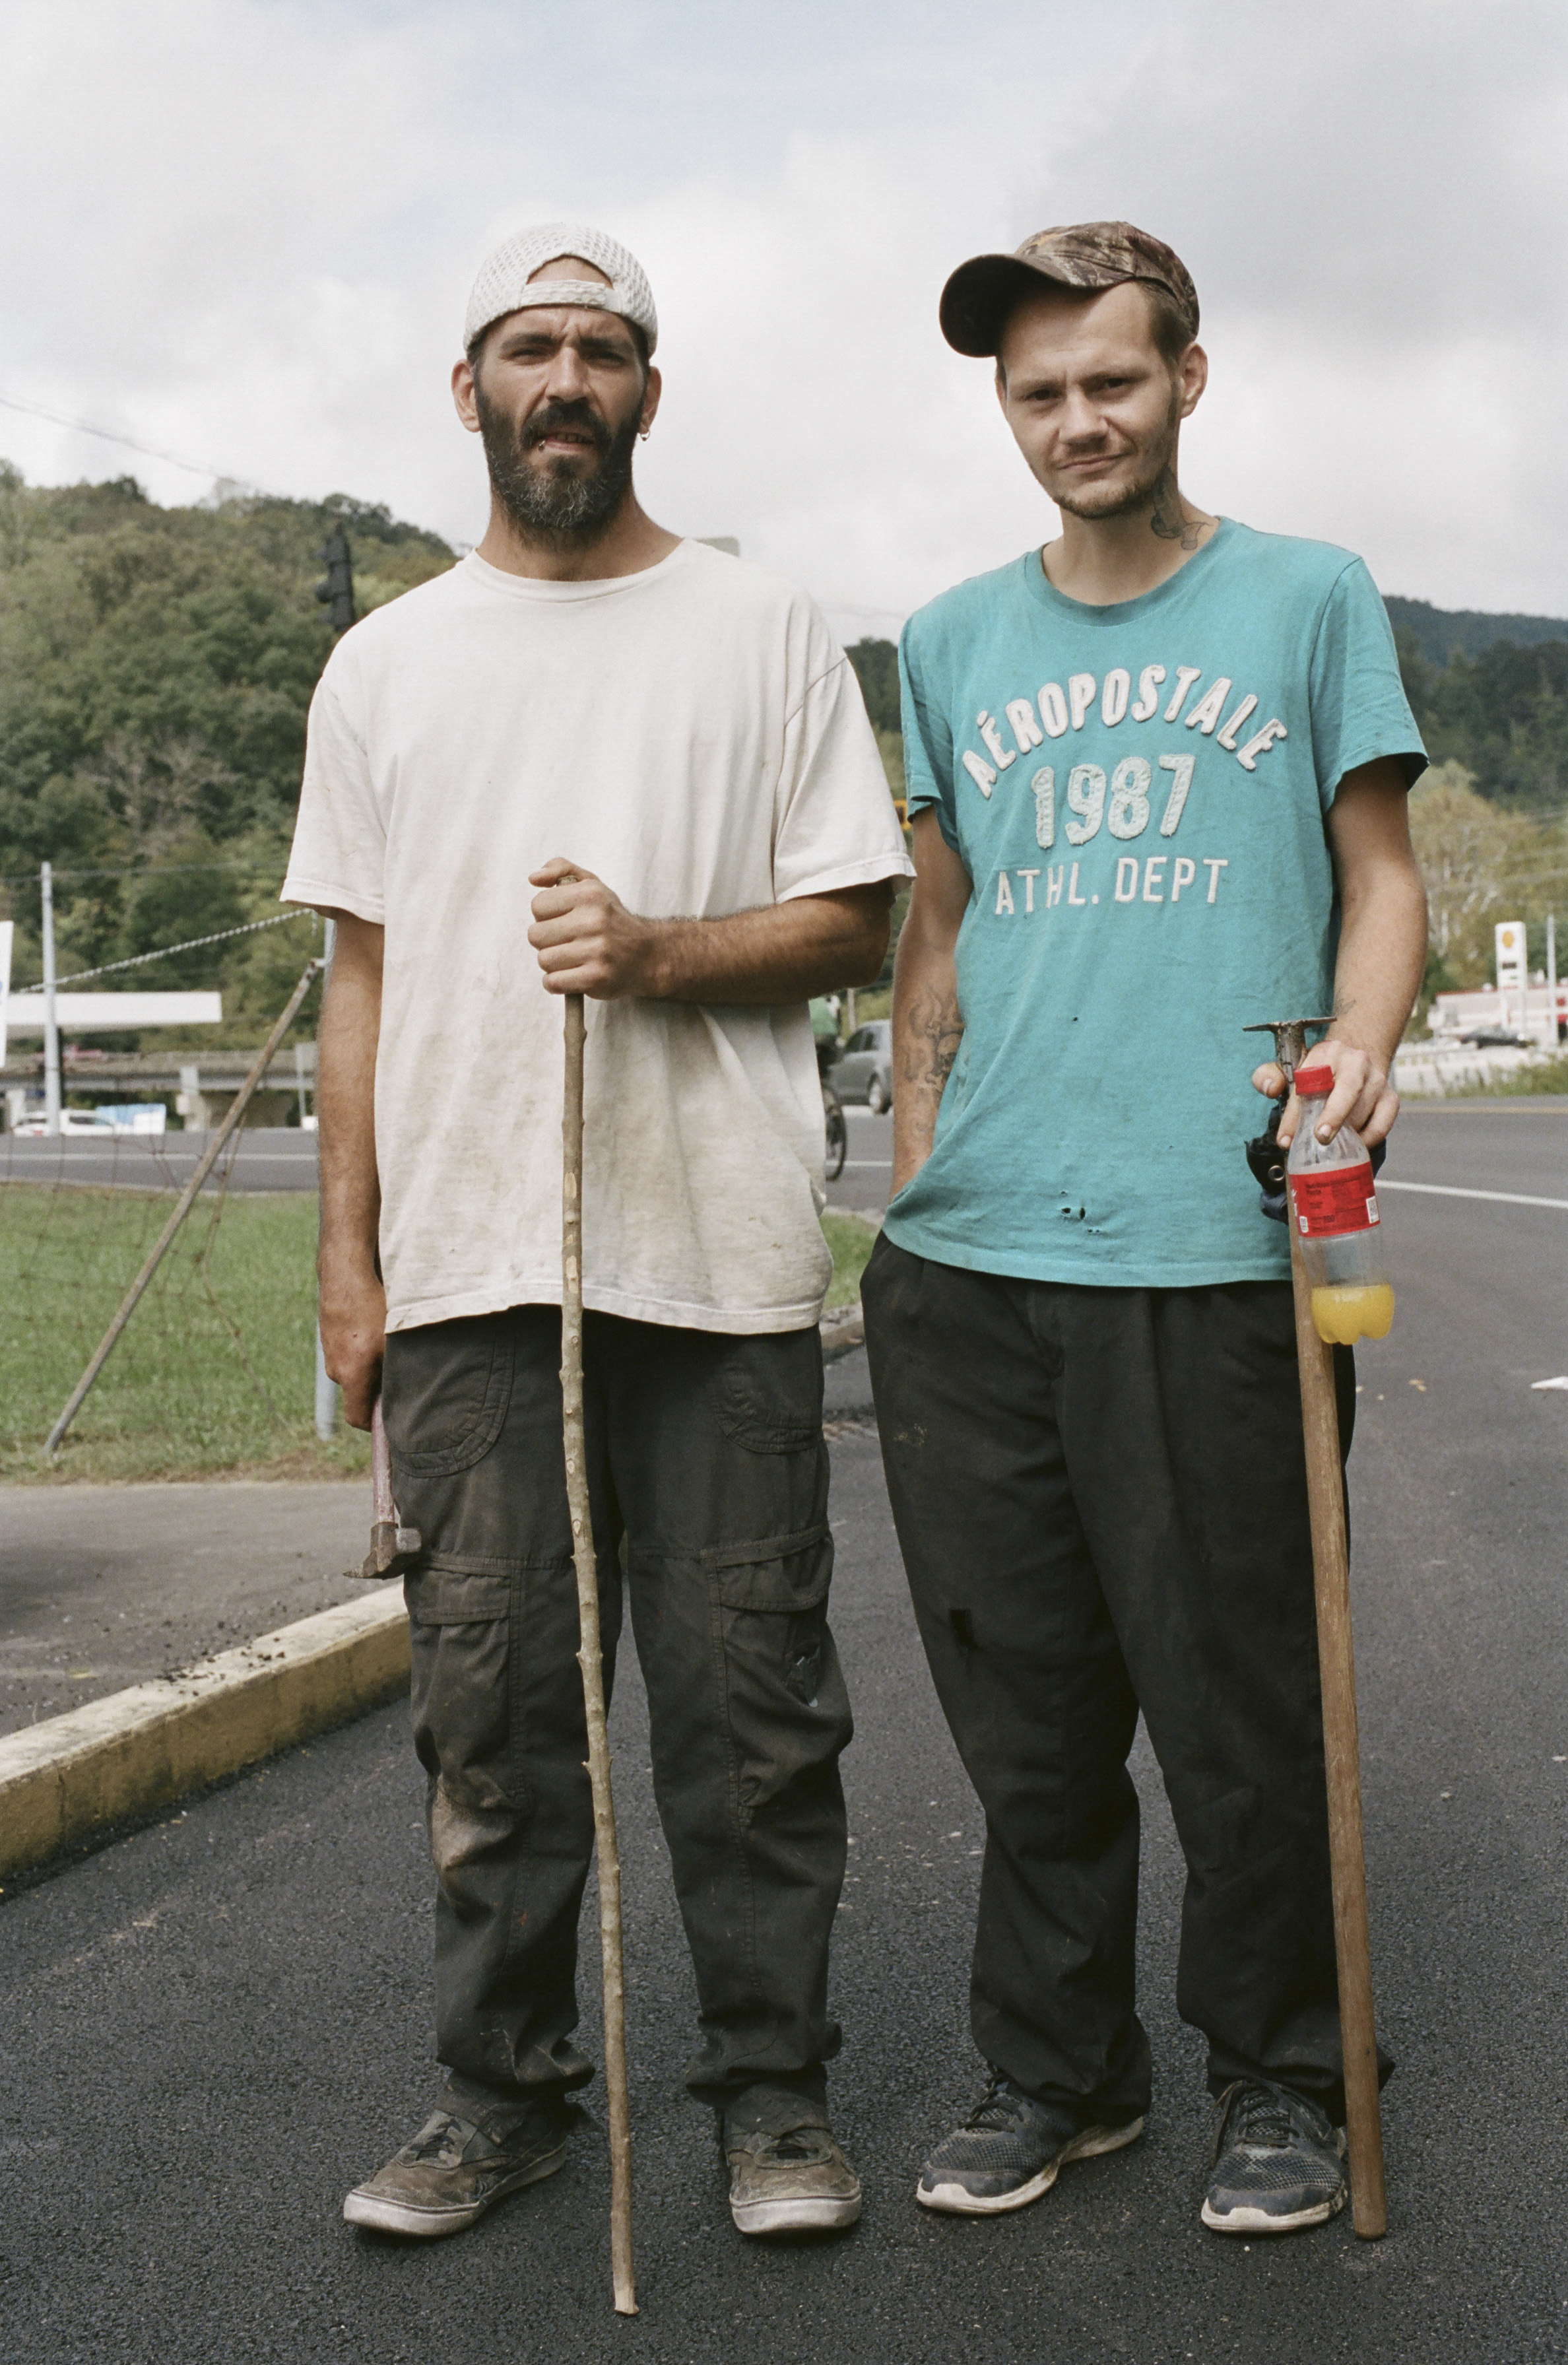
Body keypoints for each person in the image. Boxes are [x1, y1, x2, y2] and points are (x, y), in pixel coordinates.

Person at [282, 220, 911, 2243]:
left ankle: (774, 2102)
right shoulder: (384, 664)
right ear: (466, 389)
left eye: (604, 348)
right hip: (470, 1271)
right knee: (490, 1726)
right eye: (529, 347)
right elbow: (360, 983)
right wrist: (346, 1263)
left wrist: (655, 954)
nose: (567, 379)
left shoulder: (760, 626)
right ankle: (502, 2099)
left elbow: (858, 915)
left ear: (651, 389)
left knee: (748, 1716)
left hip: (714, 1264)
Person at [859, 220, 1427, 2236]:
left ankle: (1283, 2078)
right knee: (1027, 1721)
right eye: (1037, 393)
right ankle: (1058, 2072)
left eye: (1111, 377)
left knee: (1246, 1708)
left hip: (1224, 1247)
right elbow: (941, 933)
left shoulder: (1305, 598)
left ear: (1190, 374)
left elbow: (1380, 875)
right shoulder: (944, 642)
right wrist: (918, 1165)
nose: (1076, 420)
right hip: (975, 1268)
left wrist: (1360, 1047)